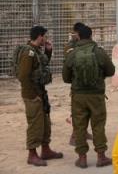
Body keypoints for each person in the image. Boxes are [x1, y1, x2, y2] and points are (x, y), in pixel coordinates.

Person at [62, 24, 116, 168]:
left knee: (79, 126)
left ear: (78, 36)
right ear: (91, 36)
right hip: (96, 95)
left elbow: (66, 78)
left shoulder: (72, 53)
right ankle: (101, 156)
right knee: (98, 125)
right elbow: (111, 71)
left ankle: (82, 158)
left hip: (78, 96)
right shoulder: (99, 52)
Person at [16, 25, 63, 166]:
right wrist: (32, 96)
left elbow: (41, 66)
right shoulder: (28, 53)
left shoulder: (36, 51)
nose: (46, 39)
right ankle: (32, 154)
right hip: (33, 95)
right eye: (45, 36)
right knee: (35, 125)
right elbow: (23, 76)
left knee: (45, 123)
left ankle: (46, 150)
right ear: (40, 36)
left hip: (40, 93)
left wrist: (48, 52)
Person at [64, 22, 92, 147]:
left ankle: (84, 131)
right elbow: (69, 63)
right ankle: (75, 135)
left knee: (88, 109)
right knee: (77, 111)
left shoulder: (87, 43)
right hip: (77, 82)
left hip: (89, 81)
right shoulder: (70, 46)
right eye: (75, 33)